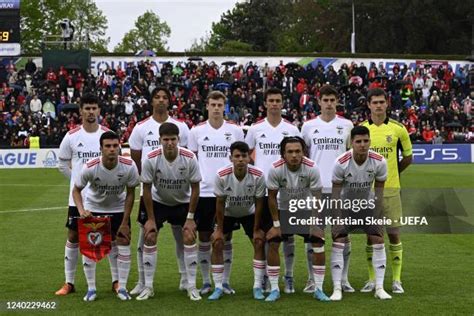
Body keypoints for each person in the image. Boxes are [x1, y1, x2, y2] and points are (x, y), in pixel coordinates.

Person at [128, 86, 190, 296]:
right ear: (152, 101)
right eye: (157, 97)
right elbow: (136, 157)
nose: (161, 100)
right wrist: (146, 178)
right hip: (152, 192)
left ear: (169, 101)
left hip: (178, 192)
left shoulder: (181, 126)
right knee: (145, 236)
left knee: (182, 237)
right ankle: (143, 281)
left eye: (165, 97)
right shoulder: (141, 127)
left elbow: (189, 155)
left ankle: (185, 278)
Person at [258, 136, 329, 302]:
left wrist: (314, 223)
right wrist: (276, 224)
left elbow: (317, 196)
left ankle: (318, 288)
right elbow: (272, 198)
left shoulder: (312, 167)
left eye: (298, 151)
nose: (295, 155)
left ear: (303, 152)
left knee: (318, 240)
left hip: (306, 210)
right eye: (290, 152)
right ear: (283, 154)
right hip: (283, 211)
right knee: (273, 240)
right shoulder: (276, 169)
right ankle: (275, 288)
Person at [188, 91, 244, 295]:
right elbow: (193, 161)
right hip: (204, 192)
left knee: (225, 238)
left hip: (229, 193)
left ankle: (225, 281)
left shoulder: (236, 131)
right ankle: (205, 281)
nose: (217, 108)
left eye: (220, 105)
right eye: (213, 104)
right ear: (207, 106)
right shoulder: (196, 131)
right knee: (204, 237)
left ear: (225, 106)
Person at [244, 87, 300, 294]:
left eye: (278, 100)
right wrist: (258, 170)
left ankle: (290, 277)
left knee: (289, 236)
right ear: (265, 104)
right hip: (263, 191)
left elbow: (300, 156)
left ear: (282, 103)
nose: (275, 104)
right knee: (268, 235)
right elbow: (247, 152)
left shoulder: (292, 129)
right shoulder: (255, 129)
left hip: (289, 189)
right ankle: (268, 276)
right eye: (271, 101)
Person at [73, 131, 139, 301]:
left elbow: (131, 193)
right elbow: (76, 190)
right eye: (108, 146)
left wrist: (125, 221)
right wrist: (81, 211)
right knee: (90, 248)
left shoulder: (129, 165)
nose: (112, 149)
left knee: (123, 242)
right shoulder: (90, 166)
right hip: (94, 208)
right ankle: (91, 289)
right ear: (101, 148)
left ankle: (122, 288)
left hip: (118, 209)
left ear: (119, 147)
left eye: (115, 146)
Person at [138, 122, 201, 301]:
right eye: (166, 139)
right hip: (159, 202)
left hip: (183, 202)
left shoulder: (189, 157)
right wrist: (150, 219)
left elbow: (196, 188)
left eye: (173, 139)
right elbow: (147, 189)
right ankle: (148, 286)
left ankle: (191, 285)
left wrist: (190, 218)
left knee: (188, 236)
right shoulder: (151, 158)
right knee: (149, 235)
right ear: (160, 140)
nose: (170, 143)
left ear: (178, 140)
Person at [55, 93, 110, 296]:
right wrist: (76, 181)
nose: (90, 111)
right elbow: (62, 163)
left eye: (94, 108)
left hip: (104, 197)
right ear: (80, 111)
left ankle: (115, 281)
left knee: (110, 238)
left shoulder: (107, 134)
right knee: (73, 236)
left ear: (99, 111)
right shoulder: (71, 136)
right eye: (86, 108)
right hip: (77, 198)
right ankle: (69, 283)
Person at [301, 84, 354, 293]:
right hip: (315, 189)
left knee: (342, 235)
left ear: (337, 101)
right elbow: (303, 156)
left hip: (340, 190)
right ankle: (312, 279)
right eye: (326, 100)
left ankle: (344, 278)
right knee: (314, 235)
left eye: (333, 100)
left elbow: (351, 155)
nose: (329, 104)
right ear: (319, 101)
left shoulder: (347, 125)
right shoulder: (308, 126)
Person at [330, 125, 392, 300]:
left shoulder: (379, 161)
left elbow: (379, 192)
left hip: (367, 204)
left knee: (378, 238)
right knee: (339, 239)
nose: (362, 145)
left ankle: (379, 288)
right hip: (345, 205)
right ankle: (337, 288)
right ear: (352, 143)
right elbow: (335, 193)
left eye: (366, 141)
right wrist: (337, 219)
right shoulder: (340, 163)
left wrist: (376, 216)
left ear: (370, 142)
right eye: (358, 141)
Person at [361, 88, 413, 294]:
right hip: (367, 192)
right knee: (370, 236)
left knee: (393, 234)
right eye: (375, 102)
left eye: (382, 102)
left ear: (387, 103)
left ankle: (396, 280)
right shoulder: (362, 130)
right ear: (369, 104)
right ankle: (372, 279)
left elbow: (408, 157)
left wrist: (392, 174)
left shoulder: (399, 129)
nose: (379, 105)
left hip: (391, 190)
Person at [207, 141, 266, 301]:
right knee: (218, 242)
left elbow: (259, 202)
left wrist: (256, 228)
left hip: (249, 212)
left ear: (249, 158)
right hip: (227, 213)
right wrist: (218, 228)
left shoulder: (258, 175)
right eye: (237, 156)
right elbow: (219, 203)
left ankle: (257, 286)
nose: (240, 159)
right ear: (230, 158)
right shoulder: (221, 175)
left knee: (259, 241)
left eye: (244, 156)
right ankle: (218, 287)